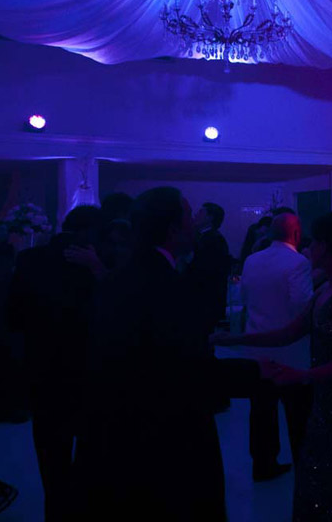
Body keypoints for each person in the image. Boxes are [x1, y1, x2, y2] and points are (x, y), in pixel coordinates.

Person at [214, 213, 332, 520]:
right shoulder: (325, 289)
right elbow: (289, 332)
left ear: (330, 247)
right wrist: (234, 339)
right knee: (321, 471)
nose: (310, 247)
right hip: (327, 395)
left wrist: (304, 375)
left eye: (317, 241)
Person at [75, 187, 234, 520]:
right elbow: (178, 370)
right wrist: (252, 375)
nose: (194, 222)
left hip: (117, 433)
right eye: (188, 215)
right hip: (164, 438)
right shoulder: (168, 285)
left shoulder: (121, 277)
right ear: (173, 229)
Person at [7, 204, 102, 521]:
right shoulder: (98, 263)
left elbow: (14, 317)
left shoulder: (29, 259)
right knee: (90, 454)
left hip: (42, 371)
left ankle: (57, 512)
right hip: (89, 373)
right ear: (92, 232)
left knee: (51, 456)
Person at [238, 212, 315, 481]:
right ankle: (304, 464)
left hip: (257, 348)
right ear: (296, 233)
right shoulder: (298, 262)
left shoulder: (252, 260)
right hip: (290, 351)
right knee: (297, 413)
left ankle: (263, 464)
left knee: (261, 411)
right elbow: (302, 304)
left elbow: (244, 297)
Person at [189, 202, 232, 335]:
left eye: (200, 212)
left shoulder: (213, 239)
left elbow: (206, 273)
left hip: (206, 302)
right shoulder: (206, 237)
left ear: (210, 217)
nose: (195, 215)